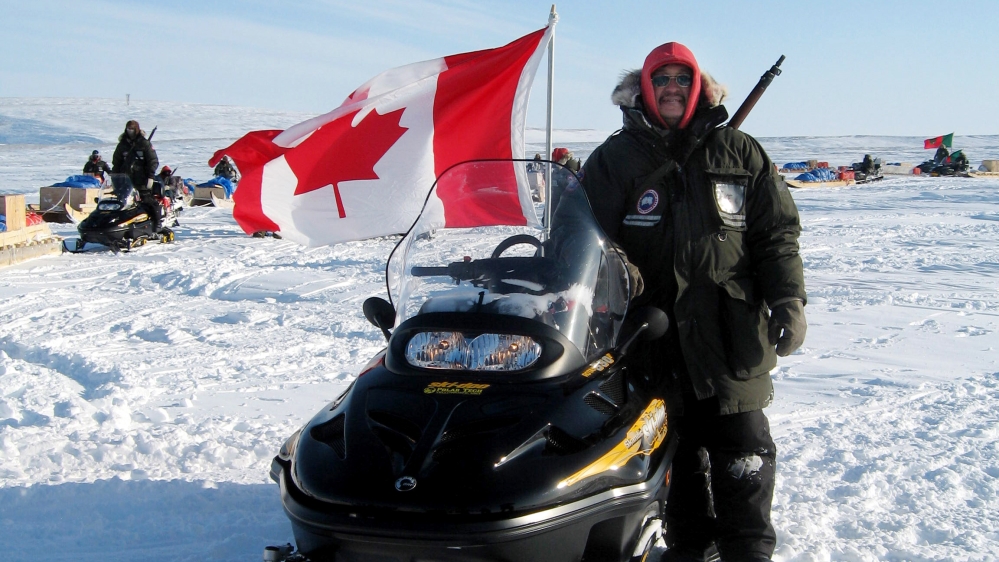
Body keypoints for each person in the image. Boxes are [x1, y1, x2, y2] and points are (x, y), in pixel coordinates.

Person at [581, 42, 806, 562]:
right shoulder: (614, 159)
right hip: (650, 331)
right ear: (644, 89)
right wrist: (618, 275)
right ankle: (690, 545)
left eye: (683, 79)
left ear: (699, 87)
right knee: (671, 444)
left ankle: (748, 548)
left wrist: (788, 298)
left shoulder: (740, 152)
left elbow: (776, 234)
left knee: (742, 441)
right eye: (662, 80)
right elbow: (587, 238)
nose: (673, 89)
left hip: (729, 330)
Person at [112, 120, 164, 233]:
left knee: (148, 201)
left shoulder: (144, 144)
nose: (130, 131)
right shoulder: (122, 145)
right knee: (122, 202)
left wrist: (150, 176)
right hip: (125, 180)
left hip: (142, 180)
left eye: (132, 129)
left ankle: (157, 224)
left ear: (137, 130)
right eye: (128, 129)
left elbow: (153, 161)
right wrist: (114, 178)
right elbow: (116, 163)